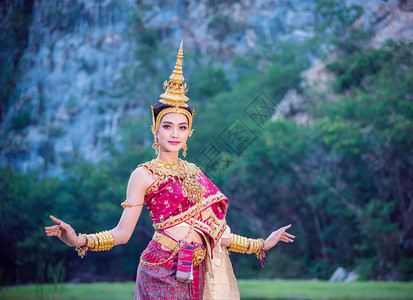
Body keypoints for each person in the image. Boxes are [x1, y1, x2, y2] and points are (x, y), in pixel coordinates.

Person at [45, 41, 295, 300]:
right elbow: (122, 233)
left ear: (190, 133)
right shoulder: (143, 174)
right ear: (155, 128)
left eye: (182, 127)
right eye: (167, 126)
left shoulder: (195, 173)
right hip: (159, 269)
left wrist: (262, 244)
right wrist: (79, 241)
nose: (175, 133)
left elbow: (218, 233)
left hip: (196, 270)